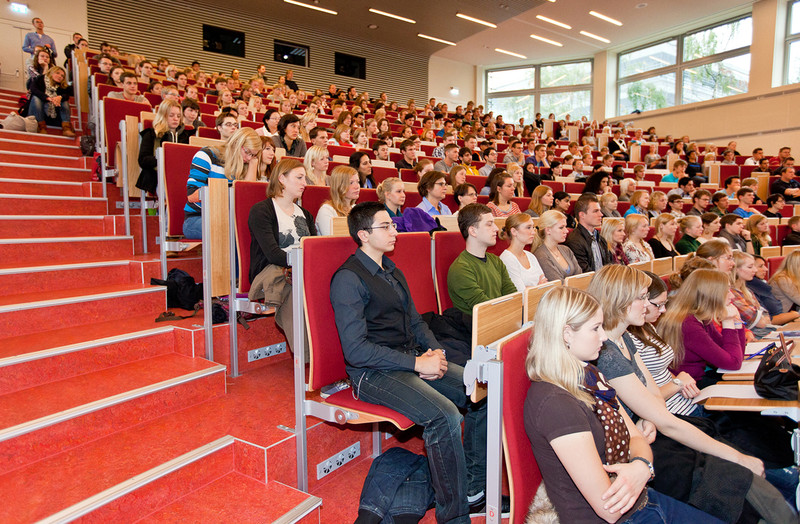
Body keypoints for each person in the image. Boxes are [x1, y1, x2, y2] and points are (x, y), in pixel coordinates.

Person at [589, 266, 794, 523]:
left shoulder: (625, 339)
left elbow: (654, 399)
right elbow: (665, 419)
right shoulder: (607, 352)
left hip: (655, 431)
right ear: (620, 300)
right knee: (733, 475)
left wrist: (649, 417)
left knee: (738, 460)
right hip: (643, 449)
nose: (648, 305)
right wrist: (738, 458)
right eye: (642, 297)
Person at [330, 202, 489, 522]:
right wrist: (418, 364)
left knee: (481, 389)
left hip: (409, 359)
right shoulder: (348, 278)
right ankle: (454, 516)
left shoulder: (392, 269)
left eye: (393, 225)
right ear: (363, 235)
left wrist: (436, 354)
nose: (395, 231)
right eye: (385, 227)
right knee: (444, 415)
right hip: (371, 373)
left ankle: (473, 485)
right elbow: (356, 351)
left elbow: (417, 323)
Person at [523, 285, 724, 524]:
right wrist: (642, 468)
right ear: (567, 334)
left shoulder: (590, 375)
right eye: (596, 328)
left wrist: (641, 466)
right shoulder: (555, 403)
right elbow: (609, 509)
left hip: (640, 502)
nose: (604, 337)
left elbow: (637, 438)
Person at [248, 158, 315, 355]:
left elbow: (314, 248)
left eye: (305, 178)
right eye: (299, 177)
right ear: (282, 179)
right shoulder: (262, 210)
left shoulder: (305, 214)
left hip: (300, 269)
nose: (305, 183)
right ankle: (310, 358)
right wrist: (303, 264)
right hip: (272, 271)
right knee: (296, 286)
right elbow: (273, 254)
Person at [660, 268, 746, 384]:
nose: (732, 296)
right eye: (727, 291)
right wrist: (727, 322)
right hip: (688, 389)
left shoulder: (701, 317)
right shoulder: (688, 325)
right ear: (711, 295)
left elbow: (735, 355)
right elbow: (733, 363)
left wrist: (737, 323)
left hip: (697, 380)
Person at [183, 128, 261, 239]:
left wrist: (253, 164)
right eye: (247, 152)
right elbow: (192, 196)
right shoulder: (207, 155)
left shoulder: (245, 164)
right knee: (235, 229)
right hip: (197, 218)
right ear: (235, 144)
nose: (248, 158)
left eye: (253, 155)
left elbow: (246, 197)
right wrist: (227, 192)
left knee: (258, 226)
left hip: (227, 218)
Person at [447, 203, 516, 318]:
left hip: (502, 320)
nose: (496, 229)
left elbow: (513, 296)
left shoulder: (496, 260)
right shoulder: (461, 268)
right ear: (473, 231)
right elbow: (486, 309)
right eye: (489, 224)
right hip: (479, 330)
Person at [136, 99, 190, 193]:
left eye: (178, 116)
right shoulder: (151, 134)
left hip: (181, 176)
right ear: (163, 116)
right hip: (158, 176)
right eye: (171, 115)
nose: (175, 119)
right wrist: (164, 159)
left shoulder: (186, 136)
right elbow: (143, 160)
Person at [498, 214, 546, 292]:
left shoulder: (530, 256)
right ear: (514, 231)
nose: (533, 232)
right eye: (528, 227)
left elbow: (545, 285)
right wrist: (538, 287)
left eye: (533, 227)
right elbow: (520, 293)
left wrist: (531, 288)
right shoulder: (507, 258)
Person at [565, 195, 612, 273]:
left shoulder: (600, 238)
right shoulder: (574, 241)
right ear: (582, 215)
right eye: (595, 211)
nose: (601, 214)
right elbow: (585, 273)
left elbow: (609, 266)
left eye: (600, 210)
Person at [533, 210, 582, 282]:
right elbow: (558, 284)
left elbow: (580, 276)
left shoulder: (566, 250)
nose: (566, 231)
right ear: (548, 230)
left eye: (565, 227)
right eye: (561, 228)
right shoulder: (541, 255)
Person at [27, 66, 75, 137]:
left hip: (53, 117)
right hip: (37, 113)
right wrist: (47, 98)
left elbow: (67, 94)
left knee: (64, 102)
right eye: (57, 73)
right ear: (51, 73)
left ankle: (66, 128)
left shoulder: (62, 86)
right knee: (36, 98)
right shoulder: (41, 79)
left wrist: (60, 97)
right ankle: (41, 127)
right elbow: (33, 89)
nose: (60, 76)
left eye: (62, 76)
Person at [315, 166, 360, 236]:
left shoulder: (356, 209)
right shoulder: (326, 210)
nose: (357, 186)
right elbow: (333, 240)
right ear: (339, 186)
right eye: (351, 183)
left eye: (357, 182)